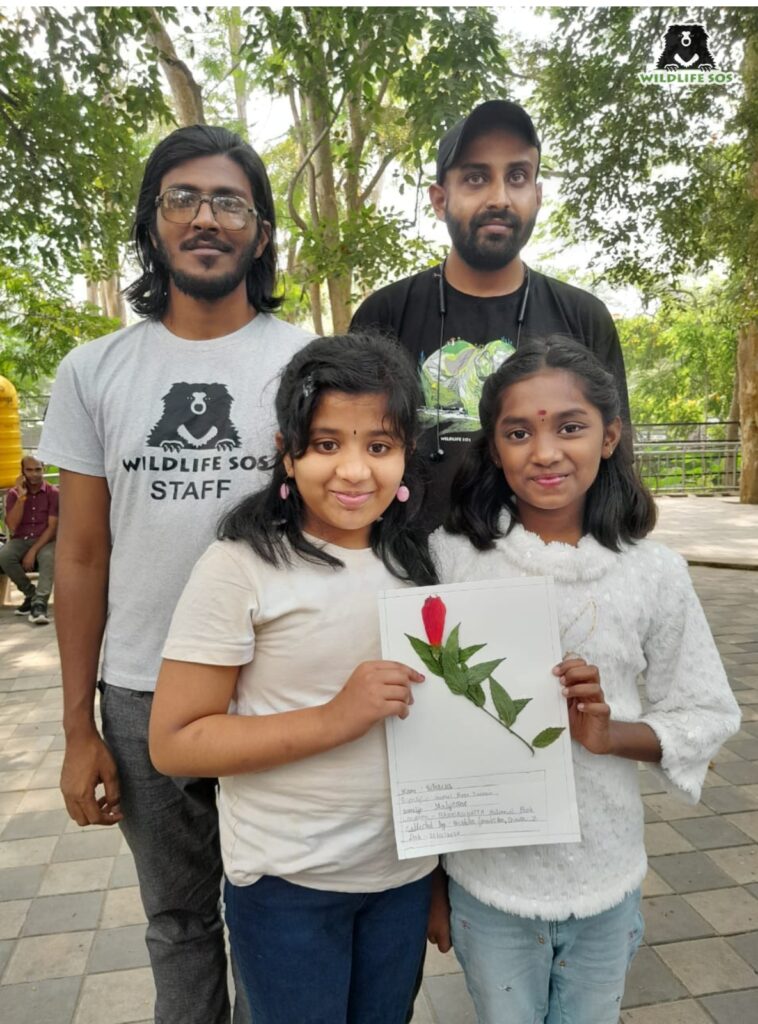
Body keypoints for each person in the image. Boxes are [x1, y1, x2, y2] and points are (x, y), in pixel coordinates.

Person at [37, 124, 311, 1024]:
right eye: (182, 198)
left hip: (279, 688)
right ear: (153, 226)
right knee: (179, 925)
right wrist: (78, 729)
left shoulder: (306, 364)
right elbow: (80, 556)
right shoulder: (95, 370)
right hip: (143, 694)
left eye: (229, 200)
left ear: (261, 232)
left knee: (284, 911)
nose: (206, 217)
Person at [427, 338, 740, 1023]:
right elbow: (418, 735)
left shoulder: (653, 572)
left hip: (607, 873)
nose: (544, 452)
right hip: (488, 880)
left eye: (570, 426)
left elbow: (707, 709)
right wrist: (431, 883)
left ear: (610, 435)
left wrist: (612, 732)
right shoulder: (449, 560)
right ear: (493, 447)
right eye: (518, 432)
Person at [148, 331, 438, 1024]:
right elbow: (175, 743)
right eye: (326, 443)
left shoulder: (424, 563)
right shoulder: (240, 565)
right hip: (288, 885)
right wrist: (335, 718)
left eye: (378, 445)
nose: (353, 470)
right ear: (287, 448)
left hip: (402, 879)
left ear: (405, 454)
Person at [351, 100, 630, 528]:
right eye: (476, 177)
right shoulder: (384, 314)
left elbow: (616, 469)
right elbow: (353, 456)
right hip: (410, 575)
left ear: (537, 195)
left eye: (517, 176)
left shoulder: (583, 317)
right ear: (440, 200)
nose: (499, 197)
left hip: (549, 573)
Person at [0, 455, 58, 623]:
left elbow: (53, 527)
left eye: (38, 469)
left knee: (48, 557)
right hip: (20, 539)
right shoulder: (13, 494)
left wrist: (32, 551)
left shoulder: (53, 493)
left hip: (45, 539)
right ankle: (30, 594)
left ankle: (39, 604)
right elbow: (11, 525)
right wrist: (21, 498)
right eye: (29, 470)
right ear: (23, 472)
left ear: (44, 469)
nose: (34, 474)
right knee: (4, 556)